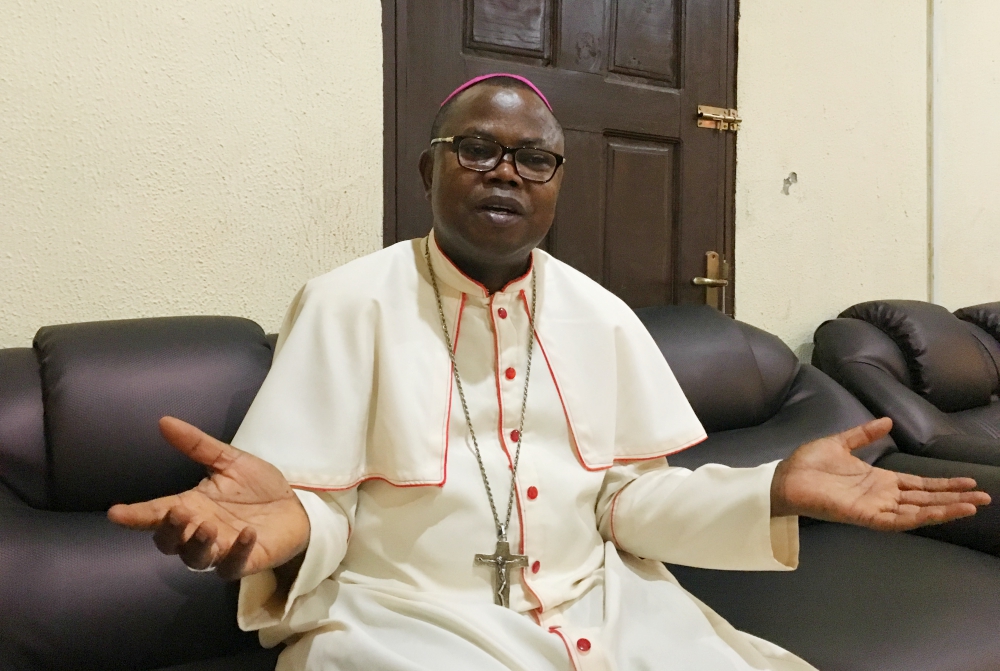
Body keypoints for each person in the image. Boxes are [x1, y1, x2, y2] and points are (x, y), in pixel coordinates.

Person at [109, 74, 989, 671]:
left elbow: (625, 503)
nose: (507, 173)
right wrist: (294, 525)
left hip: (602, 607)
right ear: (429, 169)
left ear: (557, 185)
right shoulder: (347, 304)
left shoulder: (599, 315)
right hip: (407, 620)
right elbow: (321, 506)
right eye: (477, 149)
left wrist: (770, 491)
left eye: (534, 159)